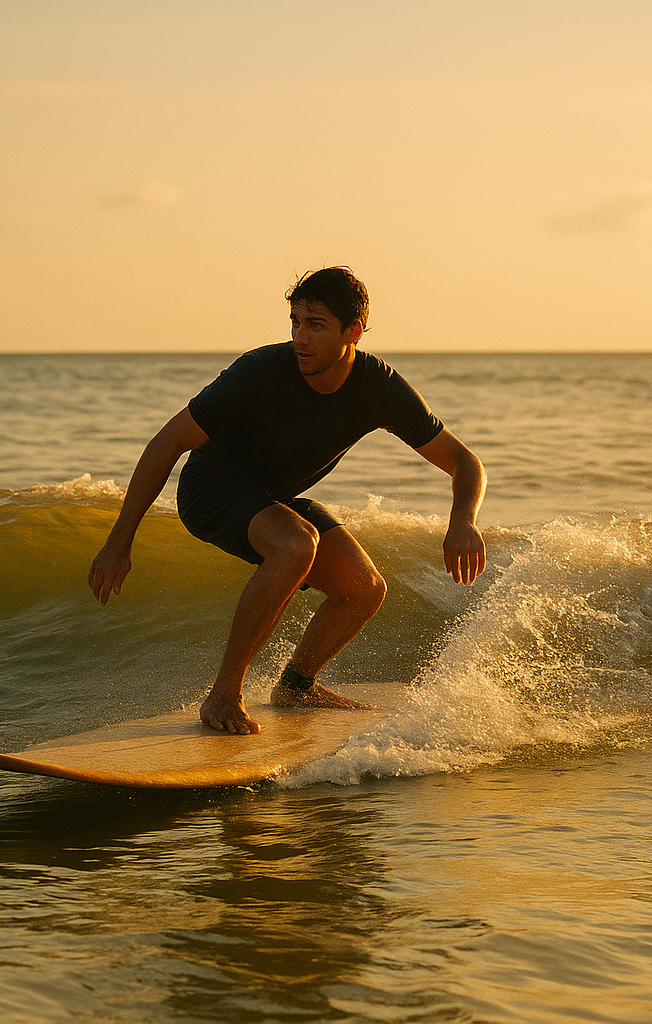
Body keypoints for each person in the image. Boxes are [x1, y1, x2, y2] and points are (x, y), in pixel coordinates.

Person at [89, 267, 486, 735]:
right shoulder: (260, 372)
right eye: (295, 322)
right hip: (210, 487)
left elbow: (464, 462)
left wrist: (463, 522)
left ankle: (297, 686)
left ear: (353, 331)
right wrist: (120, 539)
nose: (300, 337)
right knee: (297, 543)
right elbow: (168, 441)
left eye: (315, 325)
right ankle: (223, 695)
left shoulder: (378, 387)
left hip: (274, 497)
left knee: (364, 589)